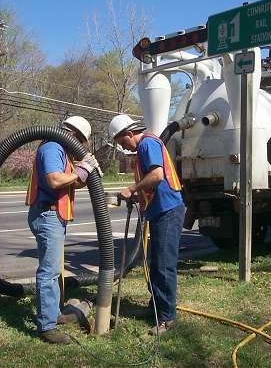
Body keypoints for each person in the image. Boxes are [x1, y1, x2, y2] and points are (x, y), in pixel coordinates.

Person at [26, 116, 101, 344]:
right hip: (47, 215)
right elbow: (55, 180)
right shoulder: (52, 147)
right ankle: (46, 327)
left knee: (54, 271)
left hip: (54, 216)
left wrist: (86, 171)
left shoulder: (62, 151)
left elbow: (73, 181)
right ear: (73, 135)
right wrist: (81, 170)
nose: (79, 147)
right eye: (79, 141)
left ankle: (53, 314)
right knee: (49, 272)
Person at [108, 114, 185, 335]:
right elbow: (150, 181)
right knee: (156, 262)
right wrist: (137, 193)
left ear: (130, 133)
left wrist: (132, 189)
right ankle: (156, 307)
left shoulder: (147, 144)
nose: (124, 148)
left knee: (163, 264)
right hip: (160, 209)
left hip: (168, 210)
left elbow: (157, 175)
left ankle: (167, 319)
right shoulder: (144, 147)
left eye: (123, 142)